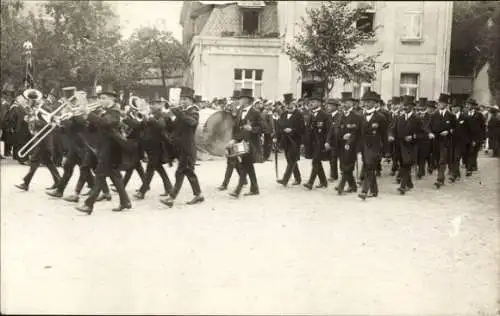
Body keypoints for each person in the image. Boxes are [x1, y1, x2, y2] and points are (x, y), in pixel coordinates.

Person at [76, 88, 132, 214]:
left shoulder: (115, 112)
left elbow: (106, 123)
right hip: (104, 147)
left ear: (112, 99)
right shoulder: (104, 112)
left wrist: (89, 113)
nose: (100, 101)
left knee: (100, 175)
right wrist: (85, 116)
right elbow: (95, 127)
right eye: (100, 98)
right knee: (115, 176)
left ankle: (88, 204)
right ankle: (125, 202)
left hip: (111, 148)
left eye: (103, 98)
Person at [160, 87, 205, 207]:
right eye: (181, 99)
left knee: (181, 172)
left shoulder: (194, 111)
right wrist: (168, 119)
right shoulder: (183, 112)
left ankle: (171, 197)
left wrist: (178, 113)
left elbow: (192, 123)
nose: (182, 101)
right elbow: (173, 127)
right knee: (187, 171)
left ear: (191, 100)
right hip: (181, 147)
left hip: (188, 147)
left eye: (185, 99)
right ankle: (198, 194)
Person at [15, 89, 61, 192]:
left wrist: (35, 122)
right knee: (48, 161)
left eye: (30, 100)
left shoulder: (43, 107)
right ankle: (59, 181)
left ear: (35, 100)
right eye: (28, 99)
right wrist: (29, 119)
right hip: (39, 137)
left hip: (44, 138)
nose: (29, 101)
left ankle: (26, 183)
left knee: (35, 160)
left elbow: (51, 123)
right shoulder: (33, 108)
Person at [134, 98, 174, 200]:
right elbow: (140, 127)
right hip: (148, 145)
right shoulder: (148, 114)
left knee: (150, 168)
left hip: (158, 145)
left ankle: (143, 190)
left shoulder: (163, 114)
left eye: (154, 104)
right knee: (158, 167)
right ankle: (169, 188)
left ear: (160, 105)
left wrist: (150, 118)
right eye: (151, 103)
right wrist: (142, 119)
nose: (151, 106)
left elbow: (161, 126)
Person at [228, 88, 264, 198]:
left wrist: (252, 128)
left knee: (244, 165)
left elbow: (263, 128)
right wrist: (233, 139)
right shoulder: (239, 111)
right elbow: (236, 128)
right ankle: (255, 188)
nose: (239, 100)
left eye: (241, 98)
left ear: (247, 100)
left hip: (251, 143)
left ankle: (238, 190)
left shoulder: (255, 113)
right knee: (248, 165)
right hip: (241, 142)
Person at [388, 95, 423, 195]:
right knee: (403, 164)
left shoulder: (417, 119)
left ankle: (402, 186)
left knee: (406, 164)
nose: (405, 107)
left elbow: (422, 134)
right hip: (399, 145)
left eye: (407, 105)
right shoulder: (399, 118)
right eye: (404, 105)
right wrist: (391, 135)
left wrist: (413, 136)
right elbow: (392, 129)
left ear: (412, 106)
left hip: (411, 146)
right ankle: (409, 183)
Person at [358, 91, 387, 200]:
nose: (367, 104)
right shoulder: (362, 116)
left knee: (369, 167)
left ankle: (364, 191)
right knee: (368, 167)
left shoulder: (381, 117)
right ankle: (374, 191)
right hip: (365, 146)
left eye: (370, 102)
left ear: (376, 104)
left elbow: (384, 135)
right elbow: (358, 133)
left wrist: (386, 151)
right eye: (366, 102)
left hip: (375, 147)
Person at [333, 92, 362, 195]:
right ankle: (353, 186)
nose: (345, 104)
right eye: (343, 102)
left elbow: (358, 133)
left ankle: (341, 185)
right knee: (343, 165)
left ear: (352, 104)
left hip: (351, 145)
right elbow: (336, 130)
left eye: (347, 102)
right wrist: (341, 137)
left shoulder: (357, 117)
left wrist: (350, 137)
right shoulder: (339, 116)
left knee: (348, 165)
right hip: (340, 144)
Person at [218, 90, 246, 191]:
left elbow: (239, 125)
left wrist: (233, 113)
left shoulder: (241, 111)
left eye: (236, 99)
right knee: (234, 161)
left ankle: (225, 184)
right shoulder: (233, 110)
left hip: (238, 139)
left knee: (231, 161)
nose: (234, 101)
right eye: (233, 99)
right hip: (231, 138)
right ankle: (244, 179)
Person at [275, 93, 305, 187]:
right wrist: (276, 137)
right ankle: (298, 178)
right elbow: (278, 126)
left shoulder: (299, 114)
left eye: (290, 103)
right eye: (286, 103)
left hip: (295, 140)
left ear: (294, 103)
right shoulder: (283, 114)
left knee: (292, 159)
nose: (288, 105)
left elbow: (302, 128)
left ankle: (285, 179)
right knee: (290, 160)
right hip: (285, 140)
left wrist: (292, 130)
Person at [428, 93, 457, 189]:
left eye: (442, 103)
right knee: (437, 160)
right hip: (435, 141)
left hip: (445, 142)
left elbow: (455, 128)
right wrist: (430, 133)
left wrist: (448, 131)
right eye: (439, 103)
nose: (440, 104)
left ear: (446, 104)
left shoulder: (451, 116)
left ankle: (439, 180)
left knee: (442, 160)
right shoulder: (433, 115)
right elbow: (427, 127)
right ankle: (442, 178)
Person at [303, 91, 330, 190]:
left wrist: (327, 142)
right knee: (317, 162)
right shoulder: (311, 114)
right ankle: (324, 181)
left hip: (320, 142)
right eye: (311, 102)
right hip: (312, 143)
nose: (311, 103)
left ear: (319, 103)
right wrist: (305, 142)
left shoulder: (325, 115)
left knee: (315, 162)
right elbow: (308, 129)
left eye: (314, 101)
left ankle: (310, 182)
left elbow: (328, 130)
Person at [449, 101, 470, 181]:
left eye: (455, 107)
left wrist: (468, 141)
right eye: (452, 107)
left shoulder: (465, 117)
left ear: (459, 108)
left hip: (461, 142)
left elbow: (469, 130)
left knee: (456, 157)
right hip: (451, 141)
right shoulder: (450, 117)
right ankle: (457, 173)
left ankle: (453, 175)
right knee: (452, 158)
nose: (453, 108)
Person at [464, 97, 485, 175]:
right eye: (467, 104)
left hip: (476, 138)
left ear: (473, 106)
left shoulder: (479, 115)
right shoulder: (465, 114)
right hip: (466, 137)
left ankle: (469, 169)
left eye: (469, 105)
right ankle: (473, 166)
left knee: (472, 152)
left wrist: (482, 139)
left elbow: (483, 127)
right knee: (467, 153)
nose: (467, 106)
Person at [325, 98, 341, 181]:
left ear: (335, 107)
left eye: (331, 105)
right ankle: (334, 175)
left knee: (335, 158)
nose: (329, 107)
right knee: (331, 158)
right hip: (329, 140)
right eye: (328, 105)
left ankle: (335, 175)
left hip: (338, 140)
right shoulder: (327, 116)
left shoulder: (340, 115)